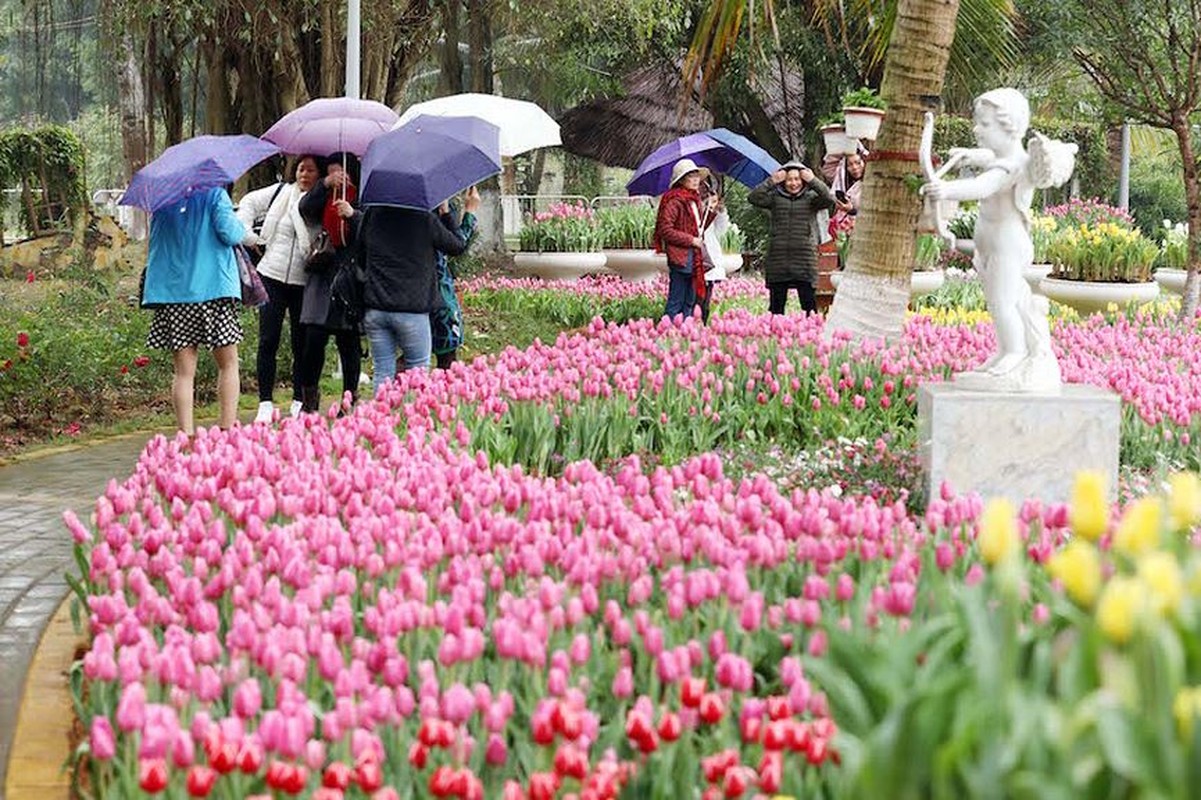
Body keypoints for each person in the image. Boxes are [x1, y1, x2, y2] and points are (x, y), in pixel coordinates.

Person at [922, 88, 1060, 390]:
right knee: (998, 301)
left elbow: (984, 186)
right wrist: (970, 155)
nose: (976, 129)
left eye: (985, 125)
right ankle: (1005, 351)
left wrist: (946, 190)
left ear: (1010, 129)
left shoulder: (1012, 166)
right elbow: (989, 157)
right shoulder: (1003, 155)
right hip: (990, 243)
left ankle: (1016, 352)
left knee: (1003, 302)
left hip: (1007, 244)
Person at [333, 187, 480, 395]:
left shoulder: (373, 215)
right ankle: (411, 425)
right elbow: (456, 245)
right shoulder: (423, 219)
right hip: (412, 310)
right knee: (417, 373)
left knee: (383, 372)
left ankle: (380, 423)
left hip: (376, 309)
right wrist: (448, 213)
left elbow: (361, 248)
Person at [141, 187, 247, 435]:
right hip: (213, 291)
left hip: (175, 294)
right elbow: (230, 233)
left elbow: (156, 244)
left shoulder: (163, 199)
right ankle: (226, 429)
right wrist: (240, 225)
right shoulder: (215, 194)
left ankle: (186, 435)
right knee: (228, 363)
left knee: (184, 371)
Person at [237, 155, 323, 423]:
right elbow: (249, 202)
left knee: (301, 343)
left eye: (310, 170)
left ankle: (299, 399)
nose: (304, 174)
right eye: (300, 169)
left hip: (303, 279)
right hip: (271, 275)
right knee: (268, 339)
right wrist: (250, 236)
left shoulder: (321, 201)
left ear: (319, 175)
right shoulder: (281, 193)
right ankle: (265, 401)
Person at [296, 153, 363, 413]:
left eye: (342, 173)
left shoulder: (361, 196)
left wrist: (352, 214)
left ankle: (350, 398)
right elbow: (305, 209)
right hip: (323, 271)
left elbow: (368, 228)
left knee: (349, 341)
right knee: (313, 337)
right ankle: (309, 399)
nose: (338, 178)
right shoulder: (323, 193)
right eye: (332, 173)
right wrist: (324, 184)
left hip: (349, 275)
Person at [748, 159, 837, 314]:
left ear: (803, 181)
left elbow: (829, 199)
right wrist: (772, 180)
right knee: (776, 308)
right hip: (779, 259)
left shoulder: (810, 199)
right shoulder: (775, 199)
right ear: (783, 181)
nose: (793, 183)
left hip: (804, 260)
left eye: (797, 179)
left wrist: (813, 180)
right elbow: (754, 197)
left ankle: (809, 336)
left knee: (809, 307)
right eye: (789, 179)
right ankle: (775, 336)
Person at [654, 158, 712, 320]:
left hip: (694, 257)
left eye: (696, 176)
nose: (695, 180)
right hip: (681, 257)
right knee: (676, 300)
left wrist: (711, 211)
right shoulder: (674, 200)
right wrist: (690, 240)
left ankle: (684, 334)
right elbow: (665, 230)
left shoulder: (694, 199)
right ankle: (667, 334)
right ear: (681, 180)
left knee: (690, 301)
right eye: (690, 176)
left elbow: (698, 229)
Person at [431, 187, 480, 369]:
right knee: (446, 361)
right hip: (437, 295)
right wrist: (470, 211)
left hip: (404, 296)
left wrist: (445, 213)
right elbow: (457, 245)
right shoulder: (426, 216)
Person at [697, 178, 730, 324]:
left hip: (711, 259)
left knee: (706, 300)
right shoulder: (694, 210)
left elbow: (721, 231)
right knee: (696, 298)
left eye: (715, 201)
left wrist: (720, 212)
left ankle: (703, 324)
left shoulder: (712, 215)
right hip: (696, 259)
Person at [822, 150, 865, 240]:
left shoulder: (872, 183)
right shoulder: (842, 181)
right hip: (843, 235)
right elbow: (828, 165)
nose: (855, 167)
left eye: (858, 163)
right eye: (850, 165)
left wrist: (851, 210)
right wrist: (846, 146)